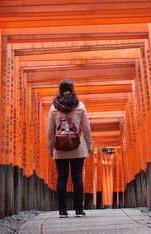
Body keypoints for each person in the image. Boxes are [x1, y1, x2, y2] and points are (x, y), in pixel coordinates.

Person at [47, 79, 92, 217]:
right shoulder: (80, 106)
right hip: (77, 147)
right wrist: (88, 146)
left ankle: (62, 211)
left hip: (60, 148)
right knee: (77, 178)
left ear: (60, 90)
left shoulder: (54, 107)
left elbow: (50, 130)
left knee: (62, 178)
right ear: (73, 90)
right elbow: (87, 128)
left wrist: (50, 148)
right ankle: (78, 209)